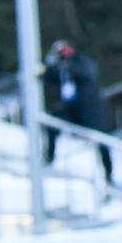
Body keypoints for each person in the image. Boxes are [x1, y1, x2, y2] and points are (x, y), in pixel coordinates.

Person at [39, 38, 109, 176]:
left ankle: (108, 173)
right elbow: (50, 76)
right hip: (71, 108)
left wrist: (62, 66)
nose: (64, 53)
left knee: (101, 140)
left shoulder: (81, 62)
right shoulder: (63, 67)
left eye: (65, 50)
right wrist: (46, 68)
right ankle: (49, 158)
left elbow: (85, 72)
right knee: (52, 122)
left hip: (89, 109)